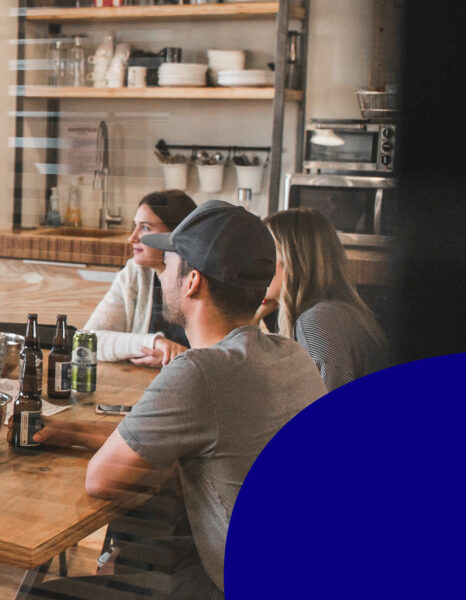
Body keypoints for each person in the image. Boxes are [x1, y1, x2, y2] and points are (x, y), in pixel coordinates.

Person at [28, 201, 327, 599]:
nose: (161, 272)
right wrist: (71, 430)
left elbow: (101, 479)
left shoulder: (201, 371)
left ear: (192, 282)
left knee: (42, 595)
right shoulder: (289, 354)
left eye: (168, 262)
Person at [257, 208, 389, 391]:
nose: (257, 261)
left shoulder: (318, 322)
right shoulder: (335, 312)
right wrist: (253, 319)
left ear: (293, 259)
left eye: (267, 250)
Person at [84, 190, 197, 367]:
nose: (132, 238)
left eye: (145, 228)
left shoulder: (204, 280)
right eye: (135, 226)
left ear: (176, 235)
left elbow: (221, 356)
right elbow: (88, 339)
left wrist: (176, 359)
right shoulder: (134, 273)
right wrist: (155, 343)